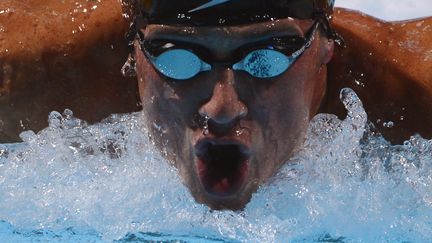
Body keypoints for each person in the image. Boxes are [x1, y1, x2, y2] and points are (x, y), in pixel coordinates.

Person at [0, 0, 431, 210]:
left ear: (324, 50)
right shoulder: (28, 77)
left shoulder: (414, 90)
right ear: (135, 56)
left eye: (265, 58)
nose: (222, 109)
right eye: (178, 57)